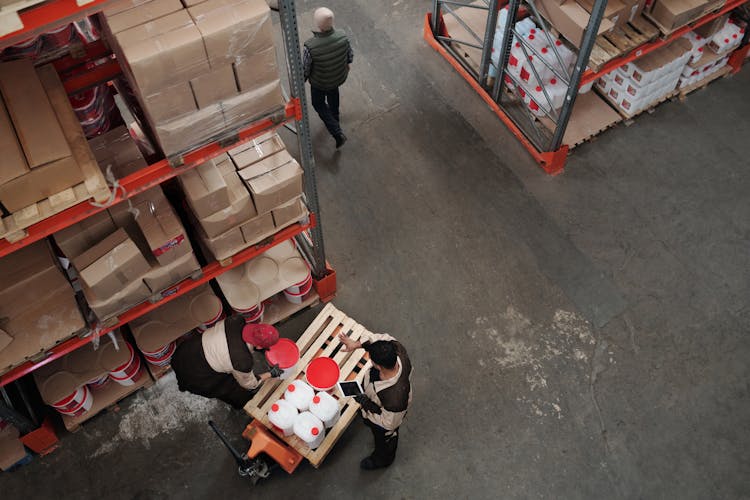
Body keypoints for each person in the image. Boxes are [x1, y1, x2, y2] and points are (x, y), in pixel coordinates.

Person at [172, 315, 283, 409]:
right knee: (235, 391)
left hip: (185, 351)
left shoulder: (235, 320)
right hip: (198, 375)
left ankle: (182, 383)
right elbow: (250, 385)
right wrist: (271, 373)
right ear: (258, 346)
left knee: (183, 374)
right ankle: (242, 405)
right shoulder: (242, 361)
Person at [338, 330, 413, 470]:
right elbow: (382, 338)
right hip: (374, 393)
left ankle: (383, 459)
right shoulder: (396, 349)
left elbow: (388, 423)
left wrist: (365, 403)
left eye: (371, 360)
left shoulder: (396, 399)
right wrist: (356, 344)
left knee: (384, 438)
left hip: (383, 421)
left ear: (378, 365)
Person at [303, 7, 353, 149]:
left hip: (320, 82)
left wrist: (301, 82)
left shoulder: (310, 46)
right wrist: (347, 64)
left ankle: (337, 133)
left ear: (318, 25)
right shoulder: (343, 36)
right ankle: (335, 118)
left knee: (318, 103)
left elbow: (306, 69)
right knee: (333, 93)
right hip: (337, 77)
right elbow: (350, 55)